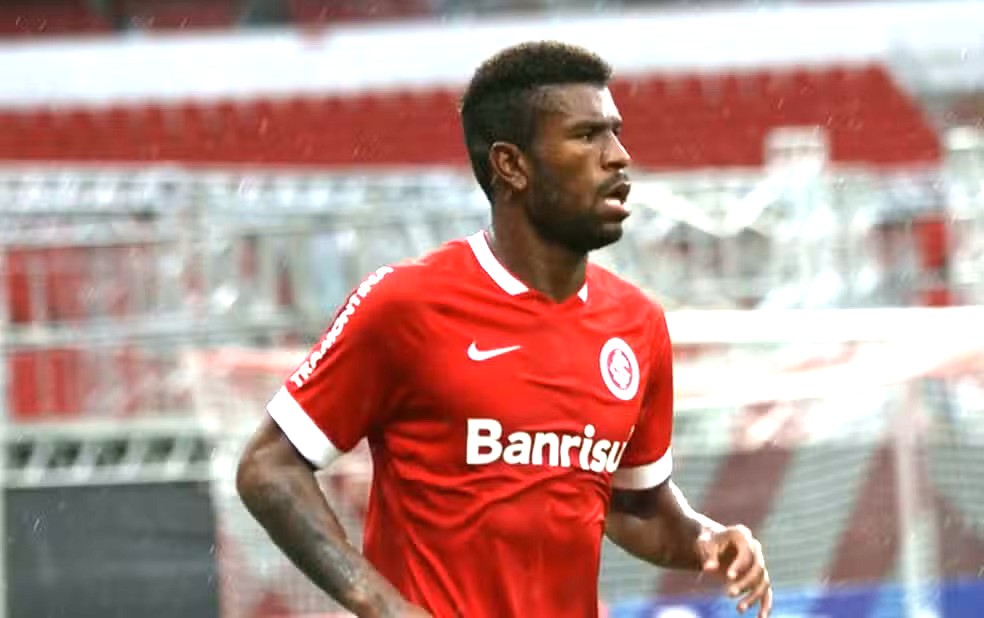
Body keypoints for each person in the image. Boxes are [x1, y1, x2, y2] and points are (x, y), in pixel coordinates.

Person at [236, 41, 773, 618]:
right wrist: (381, 604)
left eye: (615, 133)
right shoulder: (406, 303)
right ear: (511, 165)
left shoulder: (637, 324)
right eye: (587, 136)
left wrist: (704, 538)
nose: (619, 157)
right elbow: (269, 466)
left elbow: (635, 507)